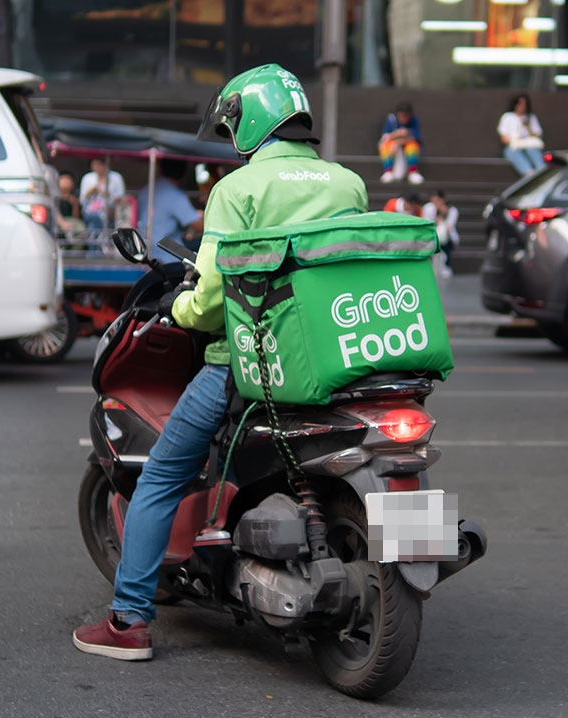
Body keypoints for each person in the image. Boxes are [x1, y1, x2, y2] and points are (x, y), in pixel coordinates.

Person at [72, 63, 369, 661]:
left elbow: (211, 301)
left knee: (158, 477)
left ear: (250, 123)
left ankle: (128, 621)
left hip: (248, 364)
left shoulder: (237, 191)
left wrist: (179, 309)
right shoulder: (347, 183)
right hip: (337, 357)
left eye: (232, 125)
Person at [137, 158, 205, 262]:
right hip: (169, 257)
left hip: (146, 251)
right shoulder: (176, 195)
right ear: (184, 173)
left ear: (160, 170)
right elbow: (199, 226)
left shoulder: (146, 189)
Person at [498, 94, 546, 176]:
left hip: (529, 143)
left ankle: (542, 171)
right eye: (520, 104)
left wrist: (527, 127)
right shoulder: (508, 117)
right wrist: (516, 140)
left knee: (532, 149)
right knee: (511, 152)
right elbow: (504, 137)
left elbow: (538, 135)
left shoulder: (531, 117)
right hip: (513, 143)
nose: (522, 107)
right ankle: (529, 173)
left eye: (525, 104)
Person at [378, 101, 424, 185]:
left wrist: (398, 142)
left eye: (405, 116)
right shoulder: (391, 119)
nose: (402, 119)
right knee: (386, 144)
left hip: (406, 150)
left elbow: (415, 137)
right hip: (394, 151)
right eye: (400, 116)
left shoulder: (414, 120)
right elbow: (385, 137)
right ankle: (388, 171)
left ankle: (413, 172)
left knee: (412, 145)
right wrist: (397, 134)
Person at [79, 157, 126, 230]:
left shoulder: (116, 178)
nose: (96, 166)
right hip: (91, 212)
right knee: (93, 219)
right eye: (94, 164)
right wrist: (89, 193)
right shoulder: (87, 178)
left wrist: (108, 195)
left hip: (110, 212)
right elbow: (82, 200)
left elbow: (121, 200)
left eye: (99, 164)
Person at [422, 189, 458, 278]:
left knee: (442, 237)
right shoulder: (428, 208)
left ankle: (444, 266)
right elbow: (426, 223)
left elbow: (449, 227)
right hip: (431, 235)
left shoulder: (452, 210)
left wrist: (442, 219)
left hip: (446, 238)